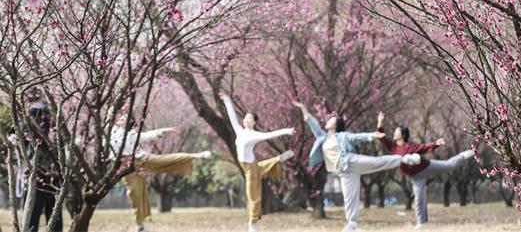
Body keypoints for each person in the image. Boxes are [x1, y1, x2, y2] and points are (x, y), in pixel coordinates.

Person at [292, 101, 422, 232]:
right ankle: (352, 224)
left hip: (351, 161)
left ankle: (405, 159)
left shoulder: (343, 136)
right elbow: (311, 122)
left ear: (335, 125)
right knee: (349, 198)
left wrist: (371, 135)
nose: (327, 120)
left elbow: (356, 137)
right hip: (344, 172)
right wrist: (303, 108)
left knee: (377, 162)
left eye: (331, 120)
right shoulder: (322, 137)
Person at [109, 114, 212, 232]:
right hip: (127, 169)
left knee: (164, 159)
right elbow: (110, 116)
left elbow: (146, 135)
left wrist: (161, 131)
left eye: (125, 118)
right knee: (135, 196)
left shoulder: (132, 135)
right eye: (121, 117)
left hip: (141, 159)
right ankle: (140, 226)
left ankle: (195, 156)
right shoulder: (110, 131)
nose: (121, 118)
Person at [376, 112, 475, 229]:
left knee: (449, 165)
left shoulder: (410, 146)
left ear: (402, 134)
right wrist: (380, 121)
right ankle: (422, 223)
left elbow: (424, 147)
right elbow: (381, 136)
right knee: (419, 198)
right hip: (415, 177)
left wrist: (436, 144)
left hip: (426, 167)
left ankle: (463, 155)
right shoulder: (393, 147)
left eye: (397, 131)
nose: (394, 132)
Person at [221, 93, 295, 232]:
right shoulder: (239, 131)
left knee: (252, 194)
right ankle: (278, 159)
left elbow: (270, 134)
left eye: (250, 119)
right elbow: (231, 117)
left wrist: (286, 131)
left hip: (249, 168)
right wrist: (227, 100)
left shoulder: (255, 135)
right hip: (248, 166)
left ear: (254, 122)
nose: (246, 120)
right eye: (246, 118)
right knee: (259, 168)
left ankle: (252, 222)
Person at [22, 97, 62, 232]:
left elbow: (22, 140)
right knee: (54, 215)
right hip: (54, 170)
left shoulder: (30, 115)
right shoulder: (54, 115)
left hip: (36, 169)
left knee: (32, 215)